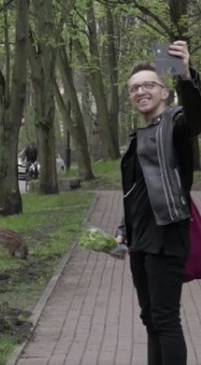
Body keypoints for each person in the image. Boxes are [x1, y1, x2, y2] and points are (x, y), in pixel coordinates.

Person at [112, 41, 201, 365]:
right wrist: (124, 230)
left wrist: (186, 75)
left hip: (167, 236)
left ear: (165, 92)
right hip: (142, 240)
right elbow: (138, 193)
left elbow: (196, 117)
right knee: (150, 321)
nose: (140, 91)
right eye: (134, 88)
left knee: (165, 320)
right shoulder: (141, 136)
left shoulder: (177, 124)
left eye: (148, 84)